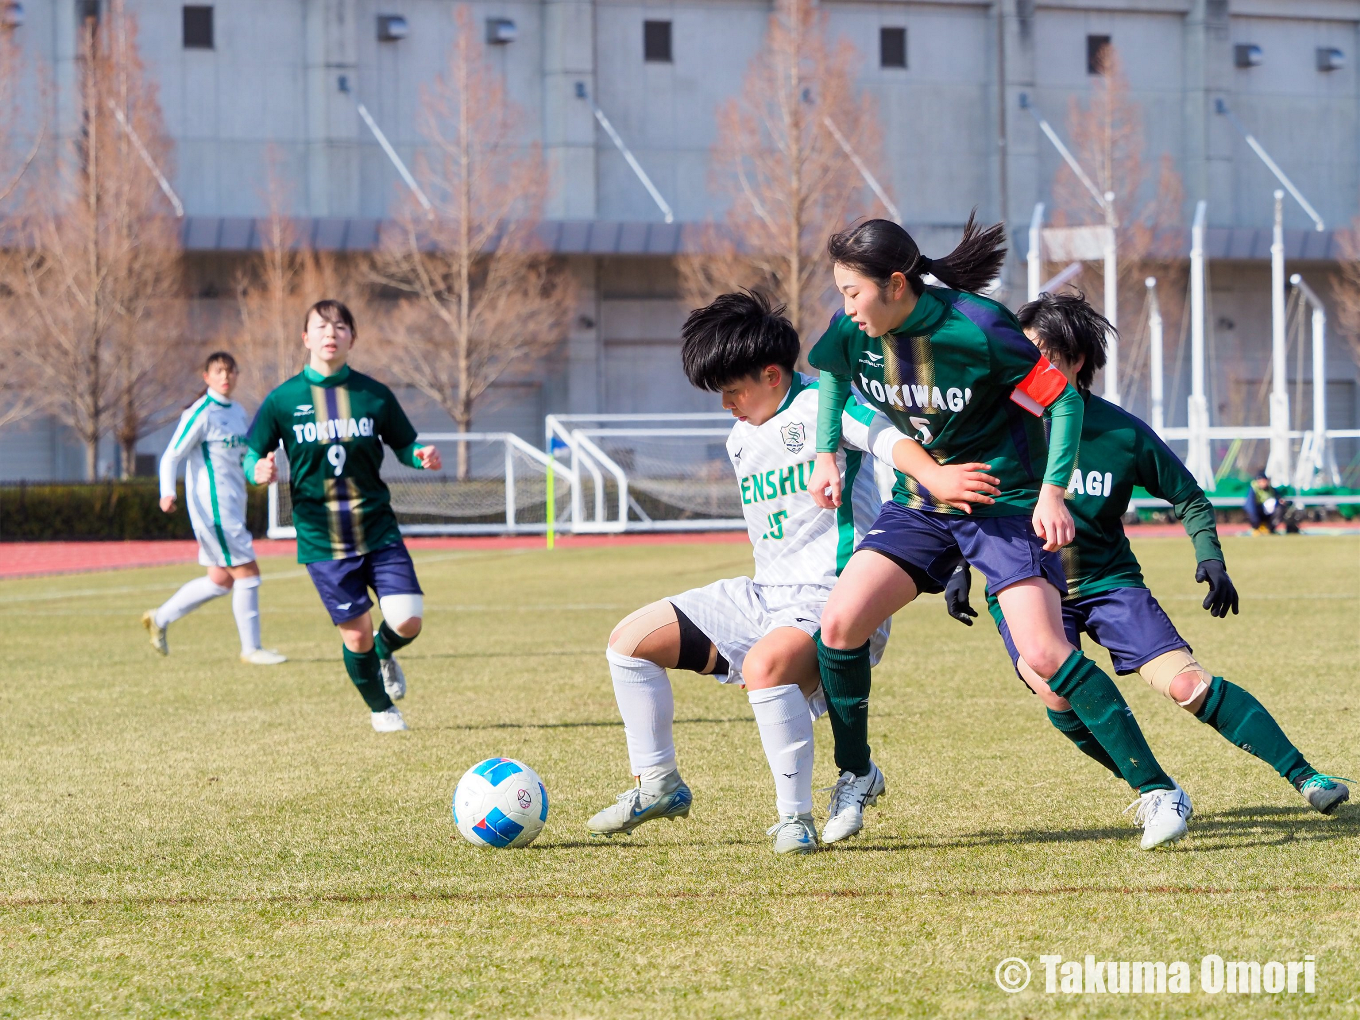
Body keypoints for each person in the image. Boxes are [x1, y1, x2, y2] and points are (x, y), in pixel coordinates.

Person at [806, 217, 1193, 850]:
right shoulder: (854, 328)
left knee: (1044, 658)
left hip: (1003, 502)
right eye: (841, 291)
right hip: (922, 504)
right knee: (839, 625)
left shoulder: (979, 327)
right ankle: (856, 774)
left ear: (897, 283)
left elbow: (1062, 400)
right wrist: (826, 454)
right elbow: (832, 378)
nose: (845, 306)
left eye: (853, 290)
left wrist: (1050, 491)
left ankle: (1158, 791)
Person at [948, 292, 1349, 815]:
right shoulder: (993, 427)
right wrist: (956, 567)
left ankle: (1306, 777)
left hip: (1107, 584)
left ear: (1078, 362)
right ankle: (1157, 790)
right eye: (1023, 353)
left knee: (1188, 685)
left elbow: (1188, 496)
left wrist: (1211, 557)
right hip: (1026, 584)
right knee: (1052, 688)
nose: (1030, 367)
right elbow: (956, 497)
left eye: (1044, 354)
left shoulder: (1121, 432)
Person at [587, 290, 932, 854]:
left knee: (767, 666)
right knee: (630, 642)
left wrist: (938, 489)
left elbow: (895, 443)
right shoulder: (740, 434)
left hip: (836, 598)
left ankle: (794, 819)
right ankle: (659, 783)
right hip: (765, 595)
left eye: (732, 391)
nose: (726, 405)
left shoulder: (828, 402)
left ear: (773, 374)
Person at [244, 300, 441, 732]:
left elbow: (405, 446)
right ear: (306, 337)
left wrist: (419, 456)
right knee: (356, 636)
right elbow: (253, 453)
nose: (331, 332)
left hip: (377, 527)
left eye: (340, 326)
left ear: (352, 337)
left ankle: (385, 652)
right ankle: (382, 710)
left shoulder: (374, 394)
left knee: (407, 619)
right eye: (321, 326)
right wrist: (257, 470)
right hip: (322, 538)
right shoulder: (283, 399)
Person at [143, 351, 287, 666]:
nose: (225, 377)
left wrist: (261, 469)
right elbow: (171, 455)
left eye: (230, 371)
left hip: (234, 504)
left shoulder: (237, 411)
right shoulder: (201, 412)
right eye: (218, 372)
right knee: (248, 573)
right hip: (213, 510)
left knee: (220, 581)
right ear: (206, 377)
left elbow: (243, 458)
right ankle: (252, 649)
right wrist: (166, 492)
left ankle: (160, 618)